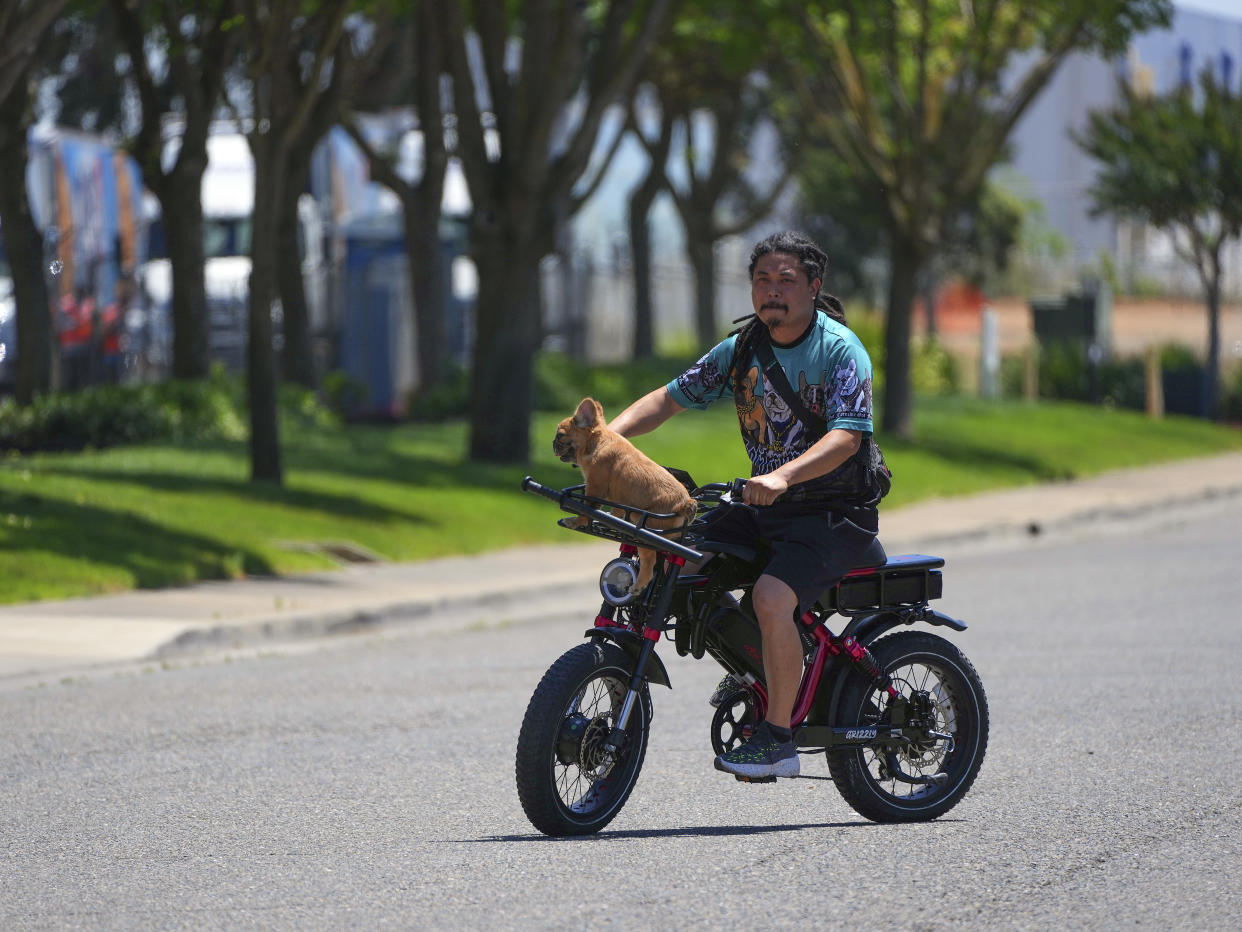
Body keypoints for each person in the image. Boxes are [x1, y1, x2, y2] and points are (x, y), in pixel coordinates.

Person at [607, 231, 888, 780]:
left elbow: (846, 439)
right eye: (763, 279)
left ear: (813, 286)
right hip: (764, 506)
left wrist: (782, 476)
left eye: (786, 280)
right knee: (677, 550)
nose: (773, 291)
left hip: (835, 514)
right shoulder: (742, 350)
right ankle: (753, 665)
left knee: (771, 596)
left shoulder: (839, 349)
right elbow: (669, 398)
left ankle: (779, 739)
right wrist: (607, 441)